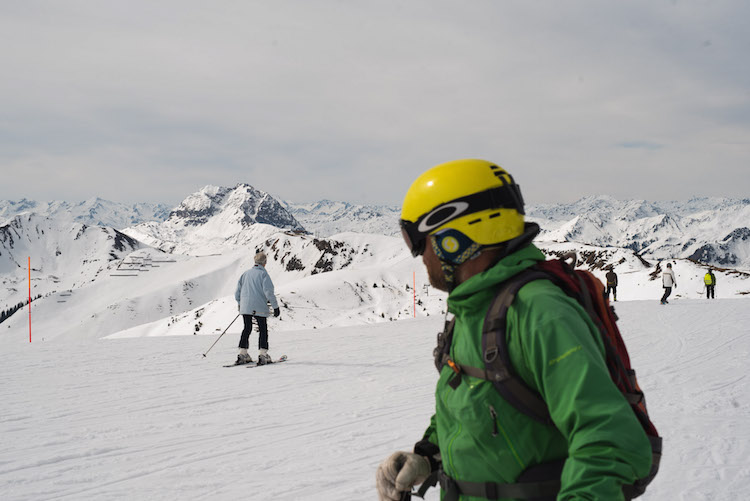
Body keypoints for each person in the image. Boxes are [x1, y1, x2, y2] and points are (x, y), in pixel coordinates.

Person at [377, 159, 652, 501]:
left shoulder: (538, 312)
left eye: (419, 241)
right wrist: (428, 455)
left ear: (455, 239)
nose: (419, 255)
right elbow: (478, 406)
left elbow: (610, 441)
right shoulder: (475, 310)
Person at [234, 251, 280, 365]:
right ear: (264, 263)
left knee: (247, 328)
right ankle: (263, 355)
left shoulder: (245, 274)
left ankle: (242, 353)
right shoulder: (264, 275)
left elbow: (237, 293)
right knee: (263, 329)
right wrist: (275, 307)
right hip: (259, 306)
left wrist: (241, 303)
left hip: (245, 307)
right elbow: (269, 292)